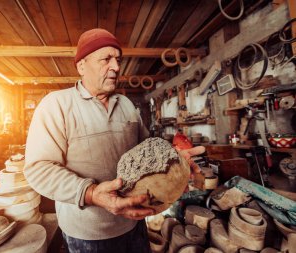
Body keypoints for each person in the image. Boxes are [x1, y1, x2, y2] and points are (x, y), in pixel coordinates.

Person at [24, 28, 204, 253]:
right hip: (89, 234)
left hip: (134, 222)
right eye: (106, 59)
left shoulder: (126, 105)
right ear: (82, 66)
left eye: (118, 60)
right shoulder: (56, 105)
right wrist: (91, 193)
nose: (116, 67)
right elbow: (38, 169)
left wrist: (175, 159)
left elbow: (148, 151)